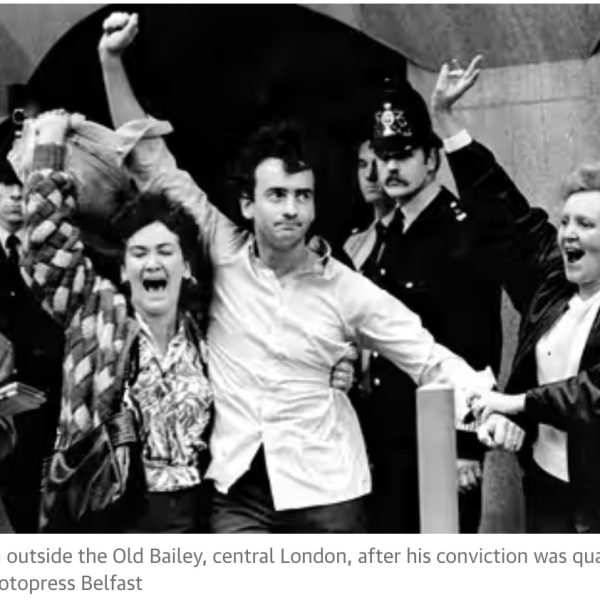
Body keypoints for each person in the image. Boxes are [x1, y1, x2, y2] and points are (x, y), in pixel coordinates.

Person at [97, 12, 524, 533]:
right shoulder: (223, 249)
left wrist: (489, 411)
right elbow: (149, 159)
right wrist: (112, 61)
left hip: (328, 493)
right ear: (247, 204)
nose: (292, 209)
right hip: (238, 491)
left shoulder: (343, 288)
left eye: (303, 196)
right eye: (277, 195)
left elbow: (426, 355)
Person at [20, 110, 216, 533]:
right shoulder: (97, 311)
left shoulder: (206, 331)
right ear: (124, 268)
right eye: (139, 253)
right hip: (113, 518)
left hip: (196, 518)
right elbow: (45, 249)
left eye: (165, 251)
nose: (152, 264)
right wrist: (50, 146)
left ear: (186, 266)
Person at [343, 78, 522, 533]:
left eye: (403, 155)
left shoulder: (457, 231)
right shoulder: (392, 231)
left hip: (439, 438)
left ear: (431, 158)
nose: (391, 168)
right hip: (388, 433)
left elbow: (478, 341)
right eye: (383, 158)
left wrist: (464, 445)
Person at [432, 55, 600, 533]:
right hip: (547, 485)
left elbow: (589, 393)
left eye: (585, 224)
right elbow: (502, 212)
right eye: (565, 221)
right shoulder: (553, 282)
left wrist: (516, 404)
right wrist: (447, 122)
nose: (567, 233)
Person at [0, 130, 64, 533]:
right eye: (5, 185)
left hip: (55, 414)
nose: (13, 196)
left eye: (21, 185)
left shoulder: (58, 253)